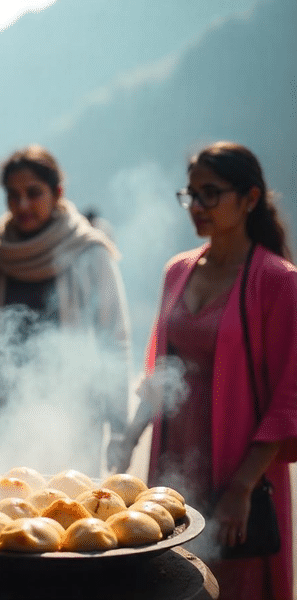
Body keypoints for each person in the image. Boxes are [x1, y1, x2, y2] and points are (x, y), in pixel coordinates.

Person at [113, 142, 297, 599]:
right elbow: (161, 370)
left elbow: (289, 397)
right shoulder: (177, 271)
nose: (196, 207)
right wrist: (131, 436)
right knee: (172, 579)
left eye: (210, 194)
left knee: (236, 584)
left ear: (250, 198)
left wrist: (241, 488)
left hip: (243, 468)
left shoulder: (278, 280)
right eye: (190, 195)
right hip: (174, 457)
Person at [0, 145, 131, 476]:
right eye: (13, 195)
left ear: (57, 193)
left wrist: (119, 428)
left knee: (75, 519)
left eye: (33, 193)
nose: (22, 205)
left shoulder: (89, 253)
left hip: (77, 419)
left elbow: (115, 341)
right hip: (8, 420)